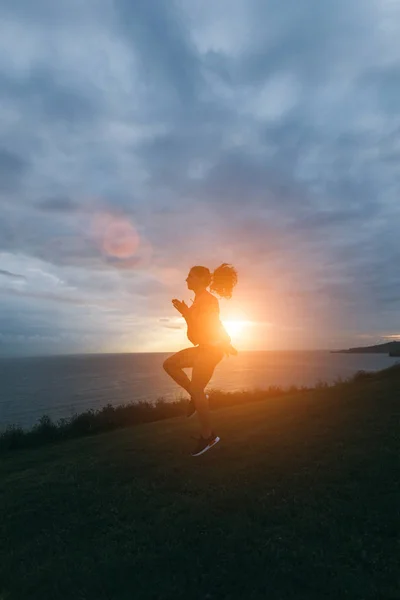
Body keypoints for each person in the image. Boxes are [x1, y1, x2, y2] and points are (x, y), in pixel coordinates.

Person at [163, 263, 238, 457]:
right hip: (203, 348)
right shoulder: (199, 300)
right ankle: (196, 399)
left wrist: (225, 341)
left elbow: (211, 324)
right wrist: (186, 312)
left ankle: (209, 436)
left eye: (190, 276)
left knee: (197, 390)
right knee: (169, 365)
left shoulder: (208, 300)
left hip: (211, 350)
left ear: (201, 279)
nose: (186, 279)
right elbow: (195, 335)